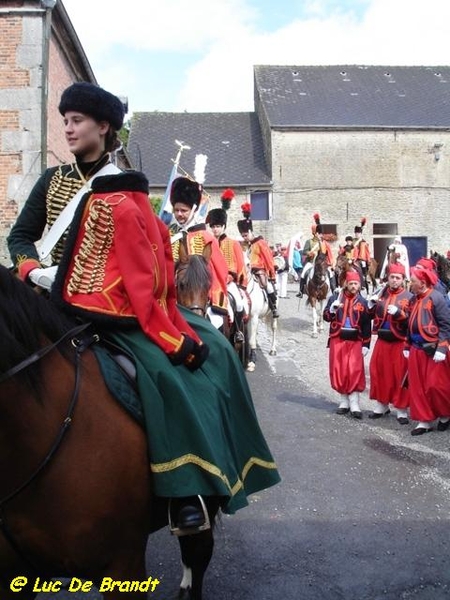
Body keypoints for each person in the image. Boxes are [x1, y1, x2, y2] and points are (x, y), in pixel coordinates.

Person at [8, 82, 281, 532]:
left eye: (76, 121)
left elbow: (142, 258)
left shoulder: (125, 188)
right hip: (46, 306)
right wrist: (33, 270)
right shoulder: (52, 181)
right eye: (65, 121)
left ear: (104, 126)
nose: (68, 129)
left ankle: (185, 490)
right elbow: (19, 237)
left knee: (167, 372)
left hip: (109, 310)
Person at [169, 176, 229, 328]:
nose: (179, 214)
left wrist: (214, 298)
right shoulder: (169, 235)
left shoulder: (205, 237)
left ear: (193, 210)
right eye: (176, 210)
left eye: (184, 210)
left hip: (201, 297)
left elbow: (219, 271)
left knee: (217, 323)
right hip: (172, 297)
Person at [404, 264, 450, 436]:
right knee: (418, 387)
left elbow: (446, 326)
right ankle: (424, 421)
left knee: (435, 386)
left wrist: (442, 348)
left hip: (434, 351)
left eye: (413, 281)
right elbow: (409, 325)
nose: (410, 284)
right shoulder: (412, 299)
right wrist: (407, 345)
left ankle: (445, 414)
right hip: (416, 350)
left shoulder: (437, 298)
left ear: (422, 283)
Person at [367, 263, 412, 423]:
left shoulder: (409, 297)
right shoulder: (381, 293)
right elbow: (370, 315)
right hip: (382, 340)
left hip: (399, 341)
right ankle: (382, 404)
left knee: (399, 374)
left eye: (397, 278)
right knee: (378, 371)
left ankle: (401, 409)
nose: (394, 280)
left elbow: (413, 322)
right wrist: (371, 306)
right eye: (392, 277)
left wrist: (400, 314)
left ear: (402, 279)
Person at [323, 270, 372, 418]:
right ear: (345, 284)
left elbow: (366, 325)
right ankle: (343, 401)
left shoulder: (363, 303)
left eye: (356, 283)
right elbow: (326, 317)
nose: (353, 286)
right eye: (351, 283)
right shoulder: (334, 298)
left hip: (355, 340)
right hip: (337, 339)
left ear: (360, 285)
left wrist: (366, 344)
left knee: (354, 371)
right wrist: (331, 310)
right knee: (339, 370)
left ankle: (355, 403)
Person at [206, 188, 248, 337]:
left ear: (224, 226)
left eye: (218, 226)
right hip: (210, 283)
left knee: (239, 303)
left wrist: (229, 278)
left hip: (228, 282)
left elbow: (239, 265)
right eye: (213, 226)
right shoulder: (208, 243)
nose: (215, 229)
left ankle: (238, 332)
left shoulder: (233, 243)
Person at [237, 202, 279, 318]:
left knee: (268, 286)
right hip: (247, 270)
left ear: (251, 232)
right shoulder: (246, 245)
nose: (244, 238)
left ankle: (273, 306)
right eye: (243, 236)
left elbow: (269, 259)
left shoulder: (261, 243)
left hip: (260, 270)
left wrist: (272, 275)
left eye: (246, 235)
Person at [297, 213, 334, 298]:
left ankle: (333, 290)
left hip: (322, 264)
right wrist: (309, 253)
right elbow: (304, 252)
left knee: (330, 274)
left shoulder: (324, 243)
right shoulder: (309, 242)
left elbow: (329, 254)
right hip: (311, 262)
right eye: (319, 233)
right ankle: (301, 291)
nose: (320, 235)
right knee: (303, 274)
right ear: (315, 233)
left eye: (321, 234)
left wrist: (330, 263)